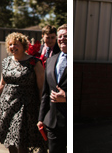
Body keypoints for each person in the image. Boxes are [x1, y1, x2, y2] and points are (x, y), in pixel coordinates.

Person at [0, 32, 47, 152]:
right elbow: (2, 82)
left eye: (16, 44)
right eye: (10, 44)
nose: (13, 47)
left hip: (25, 107)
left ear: (24, 46)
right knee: (10, 141)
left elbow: (41, 87)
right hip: (7, 105)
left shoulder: (34, 62)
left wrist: (42, 108)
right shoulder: (6, 62)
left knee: (21, 141)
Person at [38, 24, 68, 153]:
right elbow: (45, 93)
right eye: (60, 36)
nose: (62, 39)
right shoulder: (51, 60)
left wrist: (67, 97)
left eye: (65, 36)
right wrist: (41, 118)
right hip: (53, 121)